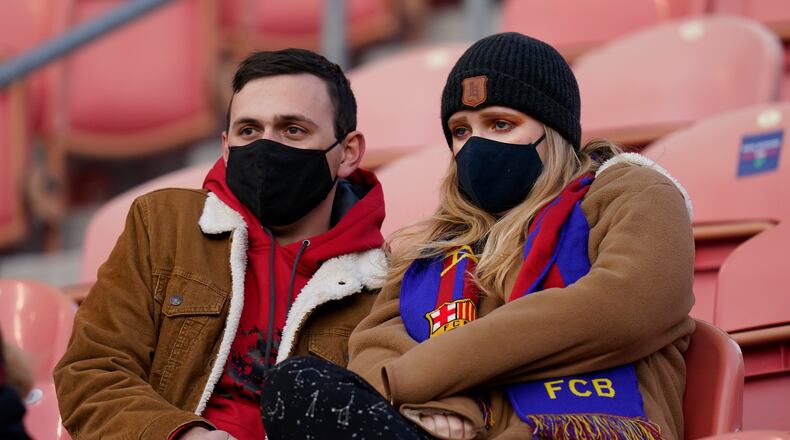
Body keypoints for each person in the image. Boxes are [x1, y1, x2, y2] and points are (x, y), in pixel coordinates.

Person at [261, 32, 695, 440]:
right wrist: (449, 398)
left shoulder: (631, 191)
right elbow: (375, 348)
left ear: (555, 129)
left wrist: (432, 382)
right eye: (462, 131)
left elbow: (621, 306)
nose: (477, 145)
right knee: (295, 385)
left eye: (501, 124)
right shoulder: (433, 246)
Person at [54, 48, 387, 440]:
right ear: (226, 147)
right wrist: (182, 435)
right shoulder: (161, 225)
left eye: (292, 130)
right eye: (249, 131)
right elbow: (90, 372)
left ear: (348, 153)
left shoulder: (383, 284)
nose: (266, 147)